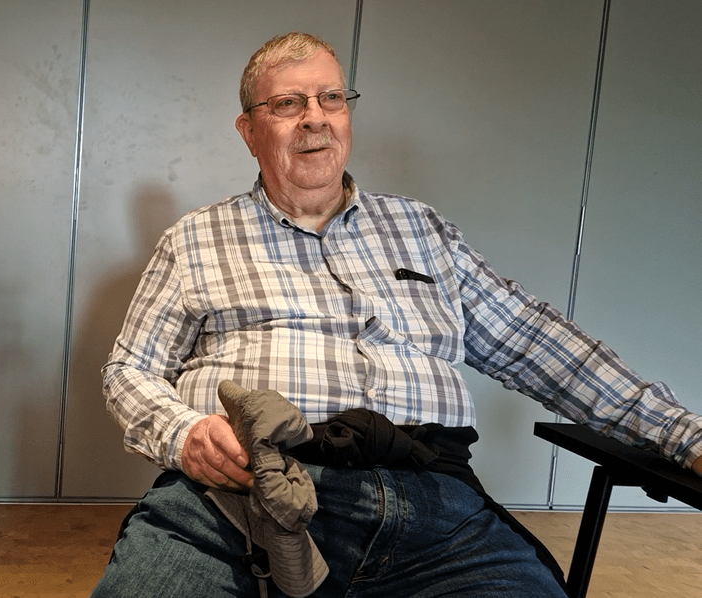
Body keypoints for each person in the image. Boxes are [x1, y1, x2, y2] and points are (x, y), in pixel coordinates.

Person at [92, 32, 702, 598]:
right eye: (287, 104)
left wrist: (684, 435)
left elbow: (534, 342)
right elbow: (129, 370)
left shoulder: (421, 229)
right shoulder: (196, 238)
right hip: (240, 501)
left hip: (436, 514)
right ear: (249, 131)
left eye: (331, 98)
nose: (315, 117)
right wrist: (184, 435)